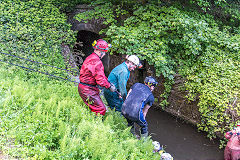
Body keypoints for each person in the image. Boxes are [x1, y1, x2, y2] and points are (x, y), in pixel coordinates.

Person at [78, 39, 116, 116]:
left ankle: (90, 119)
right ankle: (96, 125)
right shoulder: (97, 62)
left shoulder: (91, 57)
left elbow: (100, 76)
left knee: (94, 107)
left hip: (85, 88)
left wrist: (108, 82)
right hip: (88, 89)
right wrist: (109, 86)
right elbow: (101, 81)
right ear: (100, 51)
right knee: (101, 109)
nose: (105, 54)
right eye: (104, 52)